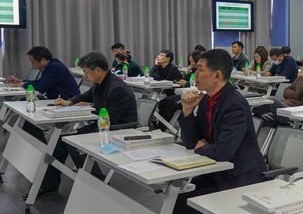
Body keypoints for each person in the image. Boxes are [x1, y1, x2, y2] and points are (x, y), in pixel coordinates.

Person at [162, 49, 267, 214]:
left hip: (241, 177)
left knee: (188, 205)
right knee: (179, 200)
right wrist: (188, 111)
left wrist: (204, 147)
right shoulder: (209, 100)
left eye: (200, 70)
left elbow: (223, 151)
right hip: (219, 171)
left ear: (217, 75)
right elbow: (192, 142)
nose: (194, 74)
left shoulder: (234, 104)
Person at [40, 52, 137, 195]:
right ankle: (50, 184)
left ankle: (99, 185)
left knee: (75, 145)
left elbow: (110, 118)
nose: (84, 76)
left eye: (86, 72)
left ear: (98, 70)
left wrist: (88, 111)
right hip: (104, 125)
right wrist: (69, 102)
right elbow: (86, 96)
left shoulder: (117, 88)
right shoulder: (100, 83)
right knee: (61, 141)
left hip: (118, 129)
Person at [7, 46, 80, 100]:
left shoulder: (54, 67)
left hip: (67, 101)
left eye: (33, 62)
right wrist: (20, 81)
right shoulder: (52, 65)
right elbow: (40, 82)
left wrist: (24, 84)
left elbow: (40, 87)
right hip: (57, 99)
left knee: (23, 101)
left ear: (43, 60)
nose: (32, 65)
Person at [158, 50, 204, 128]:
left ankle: (163, 127)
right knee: (164, 102)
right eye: (190, 62)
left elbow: (197, 84)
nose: (191, 64)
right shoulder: (193, 70)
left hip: (194, 95)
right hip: (186, 92)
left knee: (171, 104)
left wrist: (186, 83)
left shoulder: (201, 72)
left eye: (193, 61)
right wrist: (187, 72)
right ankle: (160, 125)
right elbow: (186, 80)